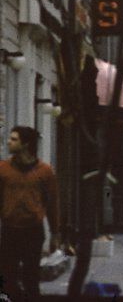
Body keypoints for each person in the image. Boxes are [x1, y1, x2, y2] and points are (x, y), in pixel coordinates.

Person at [0, 126, 60, 300]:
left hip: (33, 230)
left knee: (31, 277)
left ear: (25, 144)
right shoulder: (3, 169)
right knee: (6, 277)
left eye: (13, 139)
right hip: (10, 229)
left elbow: (52, 203)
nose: (8, 142)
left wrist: (55, 233)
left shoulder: (44, 171)